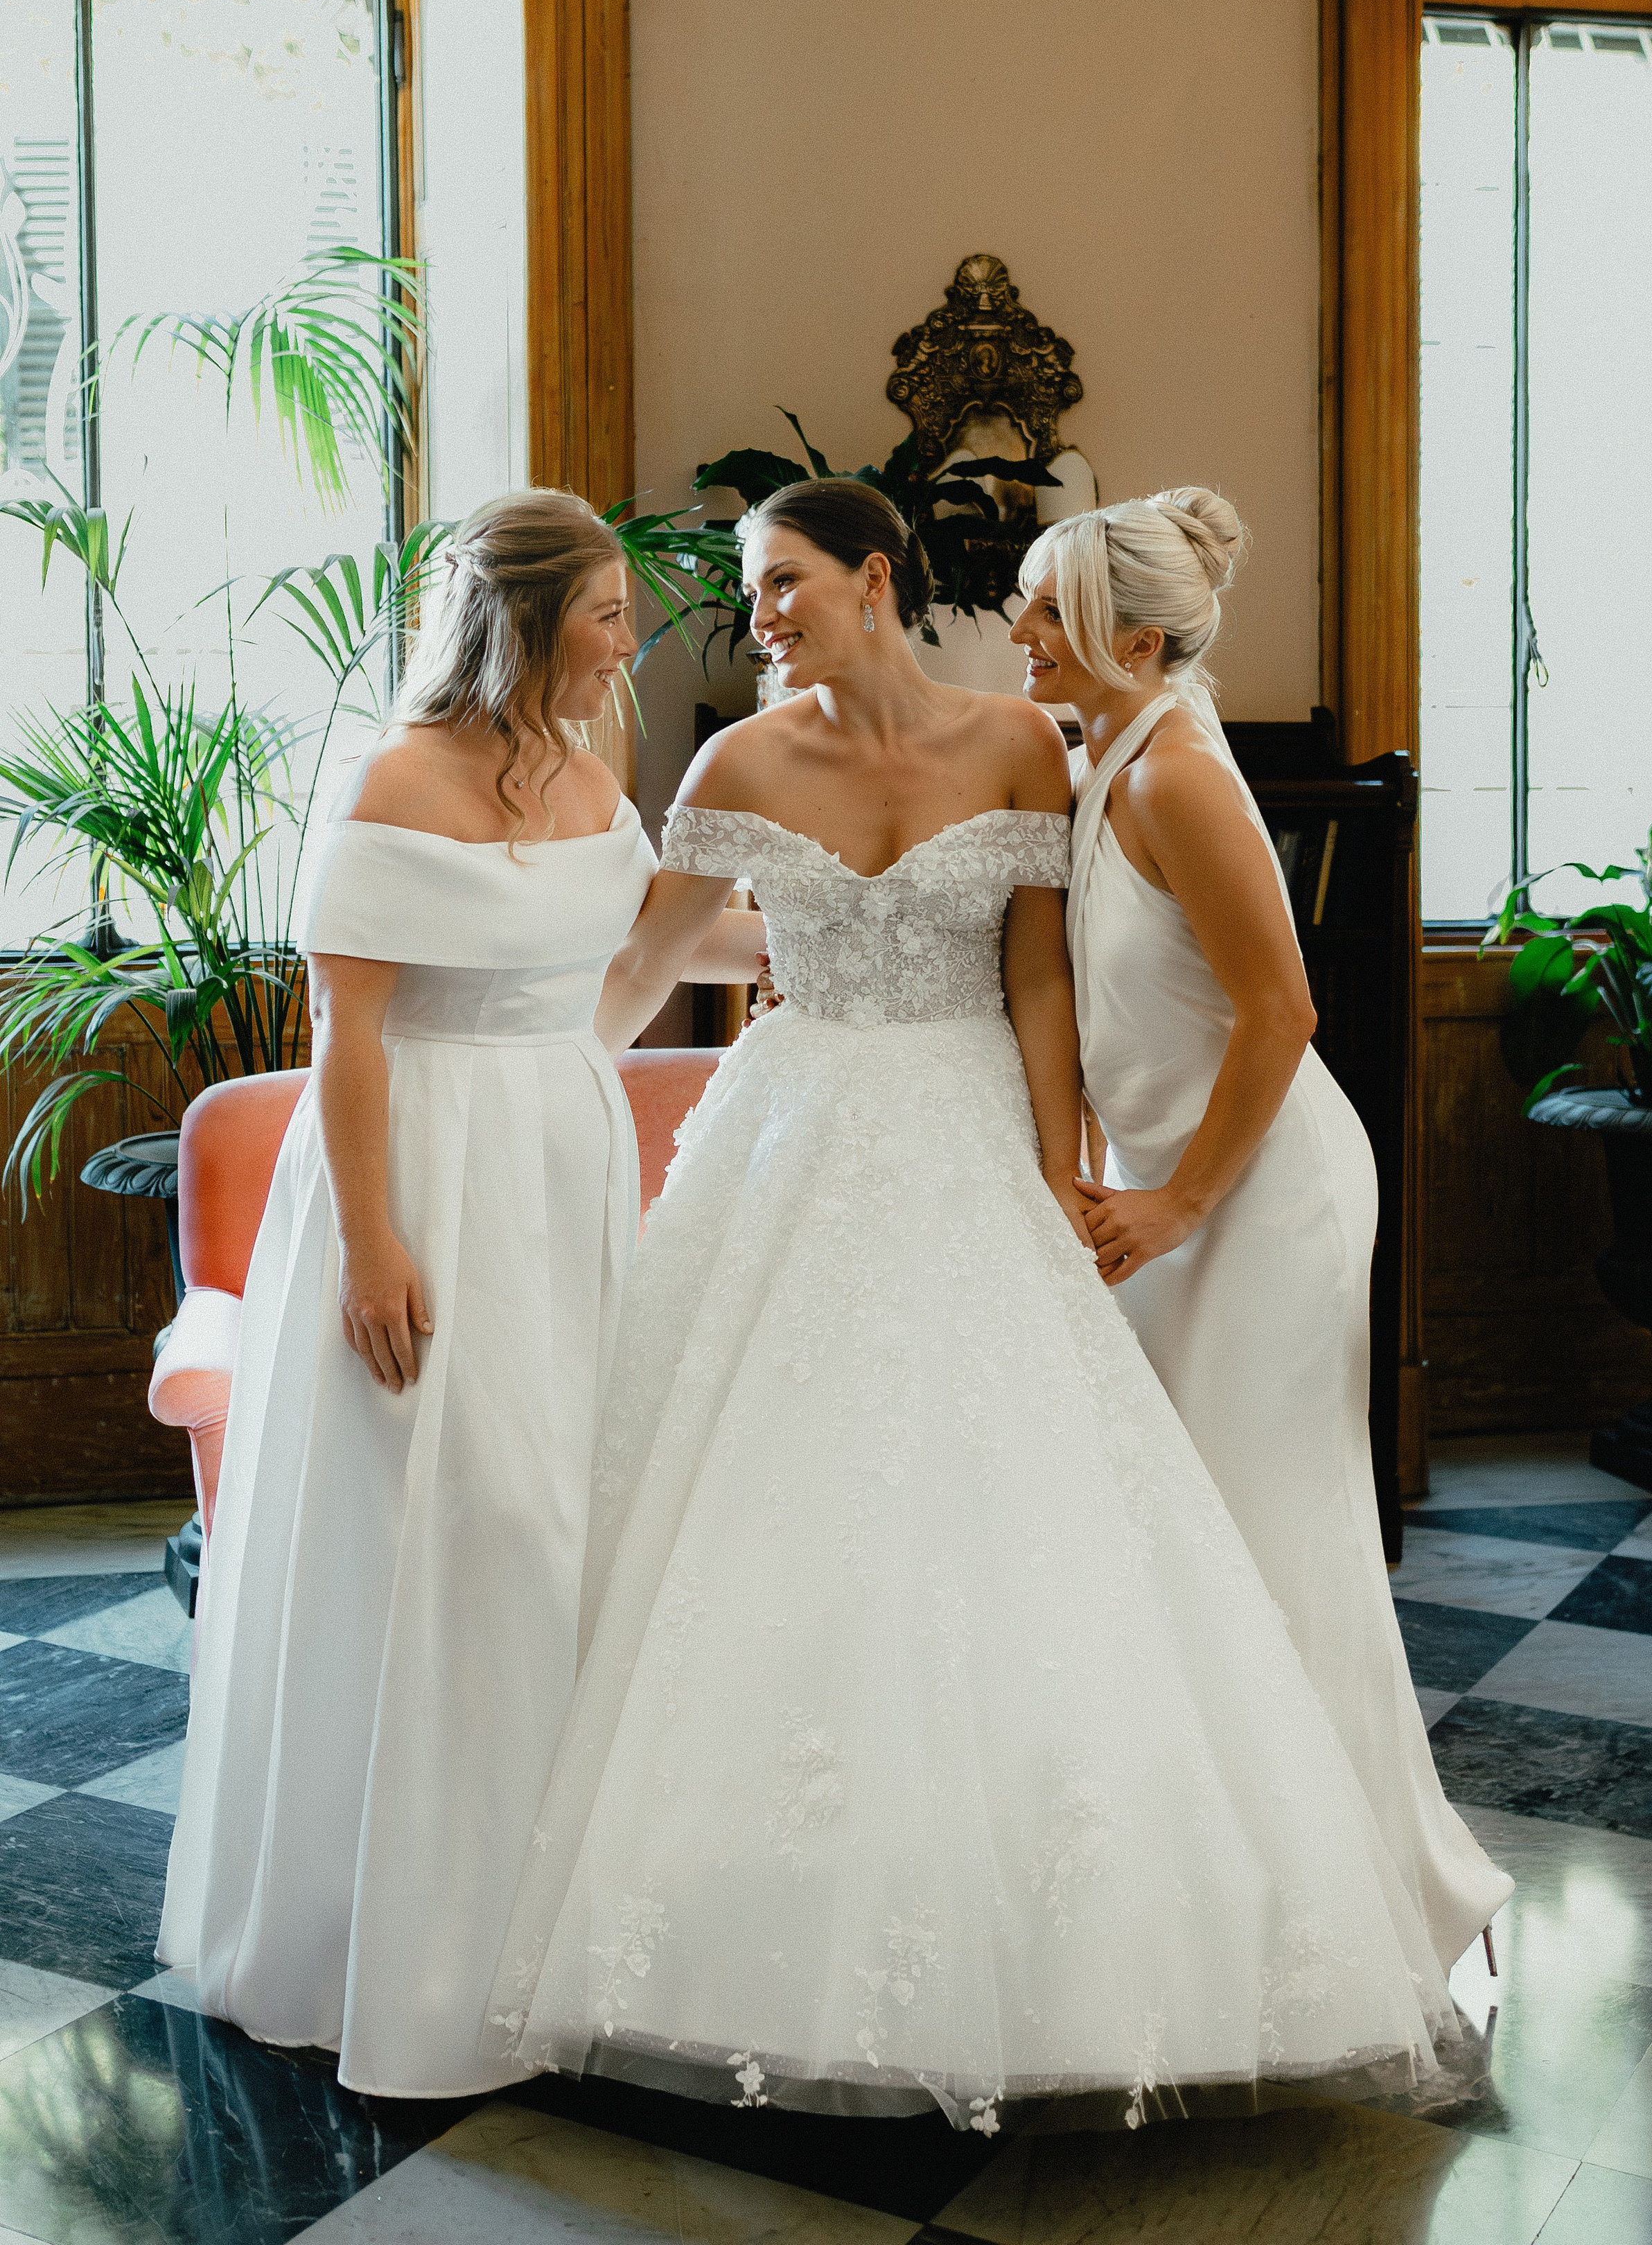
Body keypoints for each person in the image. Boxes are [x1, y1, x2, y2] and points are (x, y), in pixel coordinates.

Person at [483, 477, 1466, 2129]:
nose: (760, 613)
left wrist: (1050, 1165)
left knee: (1014, 1500)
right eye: (750, 589)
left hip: (962, 1137)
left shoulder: (1026, 752)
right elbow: (648, 967)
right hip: (788, 1138)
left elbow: (1034, 976)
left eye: (783, 580)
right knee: (768, 1504)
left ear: (873, 579)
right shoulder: (733, 762)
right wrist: (516, 1100)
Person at [158, 488, 759, 2097]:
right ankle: (385, 1931)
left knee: (559, 1515)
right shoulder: (398, 775)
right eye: (607, 612)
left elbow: (619, 979)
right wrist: (372, 1241)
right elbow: (346, 1030)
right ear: (526, 617)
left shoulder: (591, 771)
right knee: (442, 1514)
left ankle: (537, 1919)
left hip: (557, 1159)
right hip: (416, 1155)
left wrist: (813, 933)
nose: (631, 637)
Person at [1010, 488, 1511, 1975]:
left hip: (1258, 1200)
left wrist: (1175, 1199)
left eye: (1050, 609)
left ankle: (1358, 1900)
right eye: (1029, 601)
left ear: (1141, 637)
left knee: (1264, 1532)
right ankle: (1212, 1876)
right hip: (1176, 1192)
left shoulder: (1178, 781)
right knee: (1184, 1534)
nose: (1019, 631)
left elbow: (1283, 1013)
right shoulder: (1097, 757)